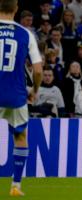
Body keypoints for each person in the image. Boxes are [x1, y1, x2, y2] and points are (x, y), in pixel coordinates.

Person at [0, 0, 42, 196]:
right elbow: (38, 69)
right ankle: (16, 185)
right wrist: (34, 89)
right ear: (16, 9)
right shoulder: (25, 33)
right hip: (15, 94)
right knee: (20, 137)